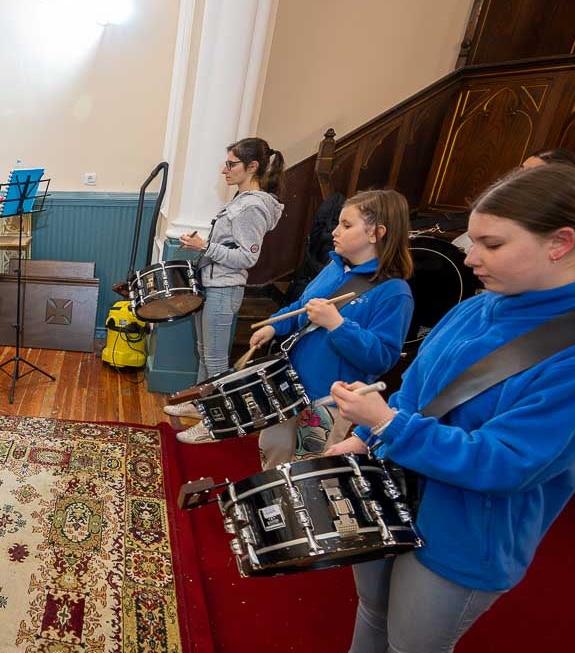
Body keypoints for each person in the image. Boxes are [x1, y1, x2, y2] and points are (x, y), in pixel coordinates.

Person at [282, 163, 575, 653]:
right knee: (375, 602)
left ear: (560, 243)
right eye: (473, 240)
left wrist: (388, 426)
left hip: (467, 526)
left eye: (492, 243)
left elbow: (505, 464)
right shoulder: (480, 308)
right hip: (396, 490)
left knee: (420, 649)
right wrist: (363, 435)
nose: (471, 256)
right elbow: (418, 390)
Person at [177, 189, 415, 454]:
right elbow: (301, 307)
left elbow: (381, 358)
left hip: (328, 400)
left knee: (305, 474)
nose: (335, 231)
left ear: (376, 233)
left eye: (346, 225)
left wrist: (337, 325)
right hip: (288, 385)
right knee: (270, 452)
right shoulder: (334, 267)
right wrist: (273, 325)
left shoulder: (394, 293)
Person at [177, 137, 284, 381]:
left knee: (215, 360)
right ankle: (200, 407)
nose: (224, 170)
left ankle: (216, 418)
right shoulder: (240, 200)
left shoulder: (252, 206)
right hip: (213, 285)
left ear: (253, 166)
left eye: (231, 164)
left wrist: (204, 246)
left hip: (224, 290)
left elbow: (248, 257)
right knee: (204, 353)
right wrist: (203, 247)